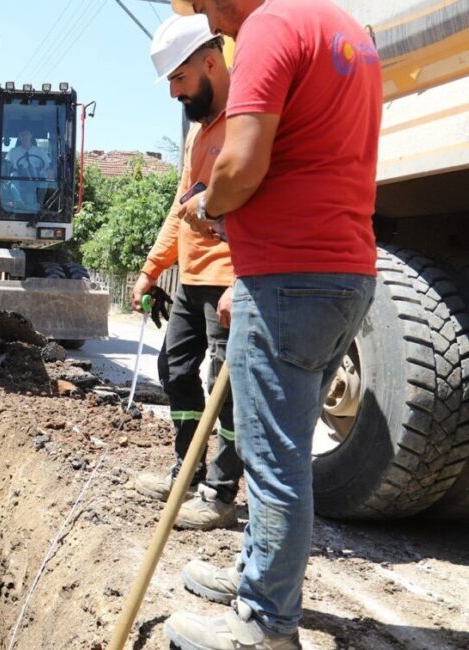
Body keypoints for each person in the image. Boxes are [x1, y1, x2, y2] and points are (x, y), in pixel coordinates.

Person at [166, 0, 381, 648]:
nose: (209, 22)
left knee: (273, 464)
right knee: (279, 453)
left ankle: (262, 626)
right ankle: (256, 580)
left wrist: (206, 205)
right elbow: (309, 162)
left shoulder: (268, 29)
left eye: (201, 6)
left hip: (291, 278)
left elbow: (243, 164)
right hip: (346, 275)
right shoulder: (347, 31)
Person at [132, 13, 244, 532]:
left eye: (179, 79)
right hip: (191, 280)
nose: (174, 92)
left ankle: (220, 493)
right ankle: (186, 470)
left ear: (208, 62)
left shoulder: (246, 121)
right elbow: (181, 210)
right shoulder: (198, 135)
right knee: (176, 373)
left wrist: (241, 280)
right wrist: (152, 270)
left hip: (228, 279)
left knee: (227, 391)